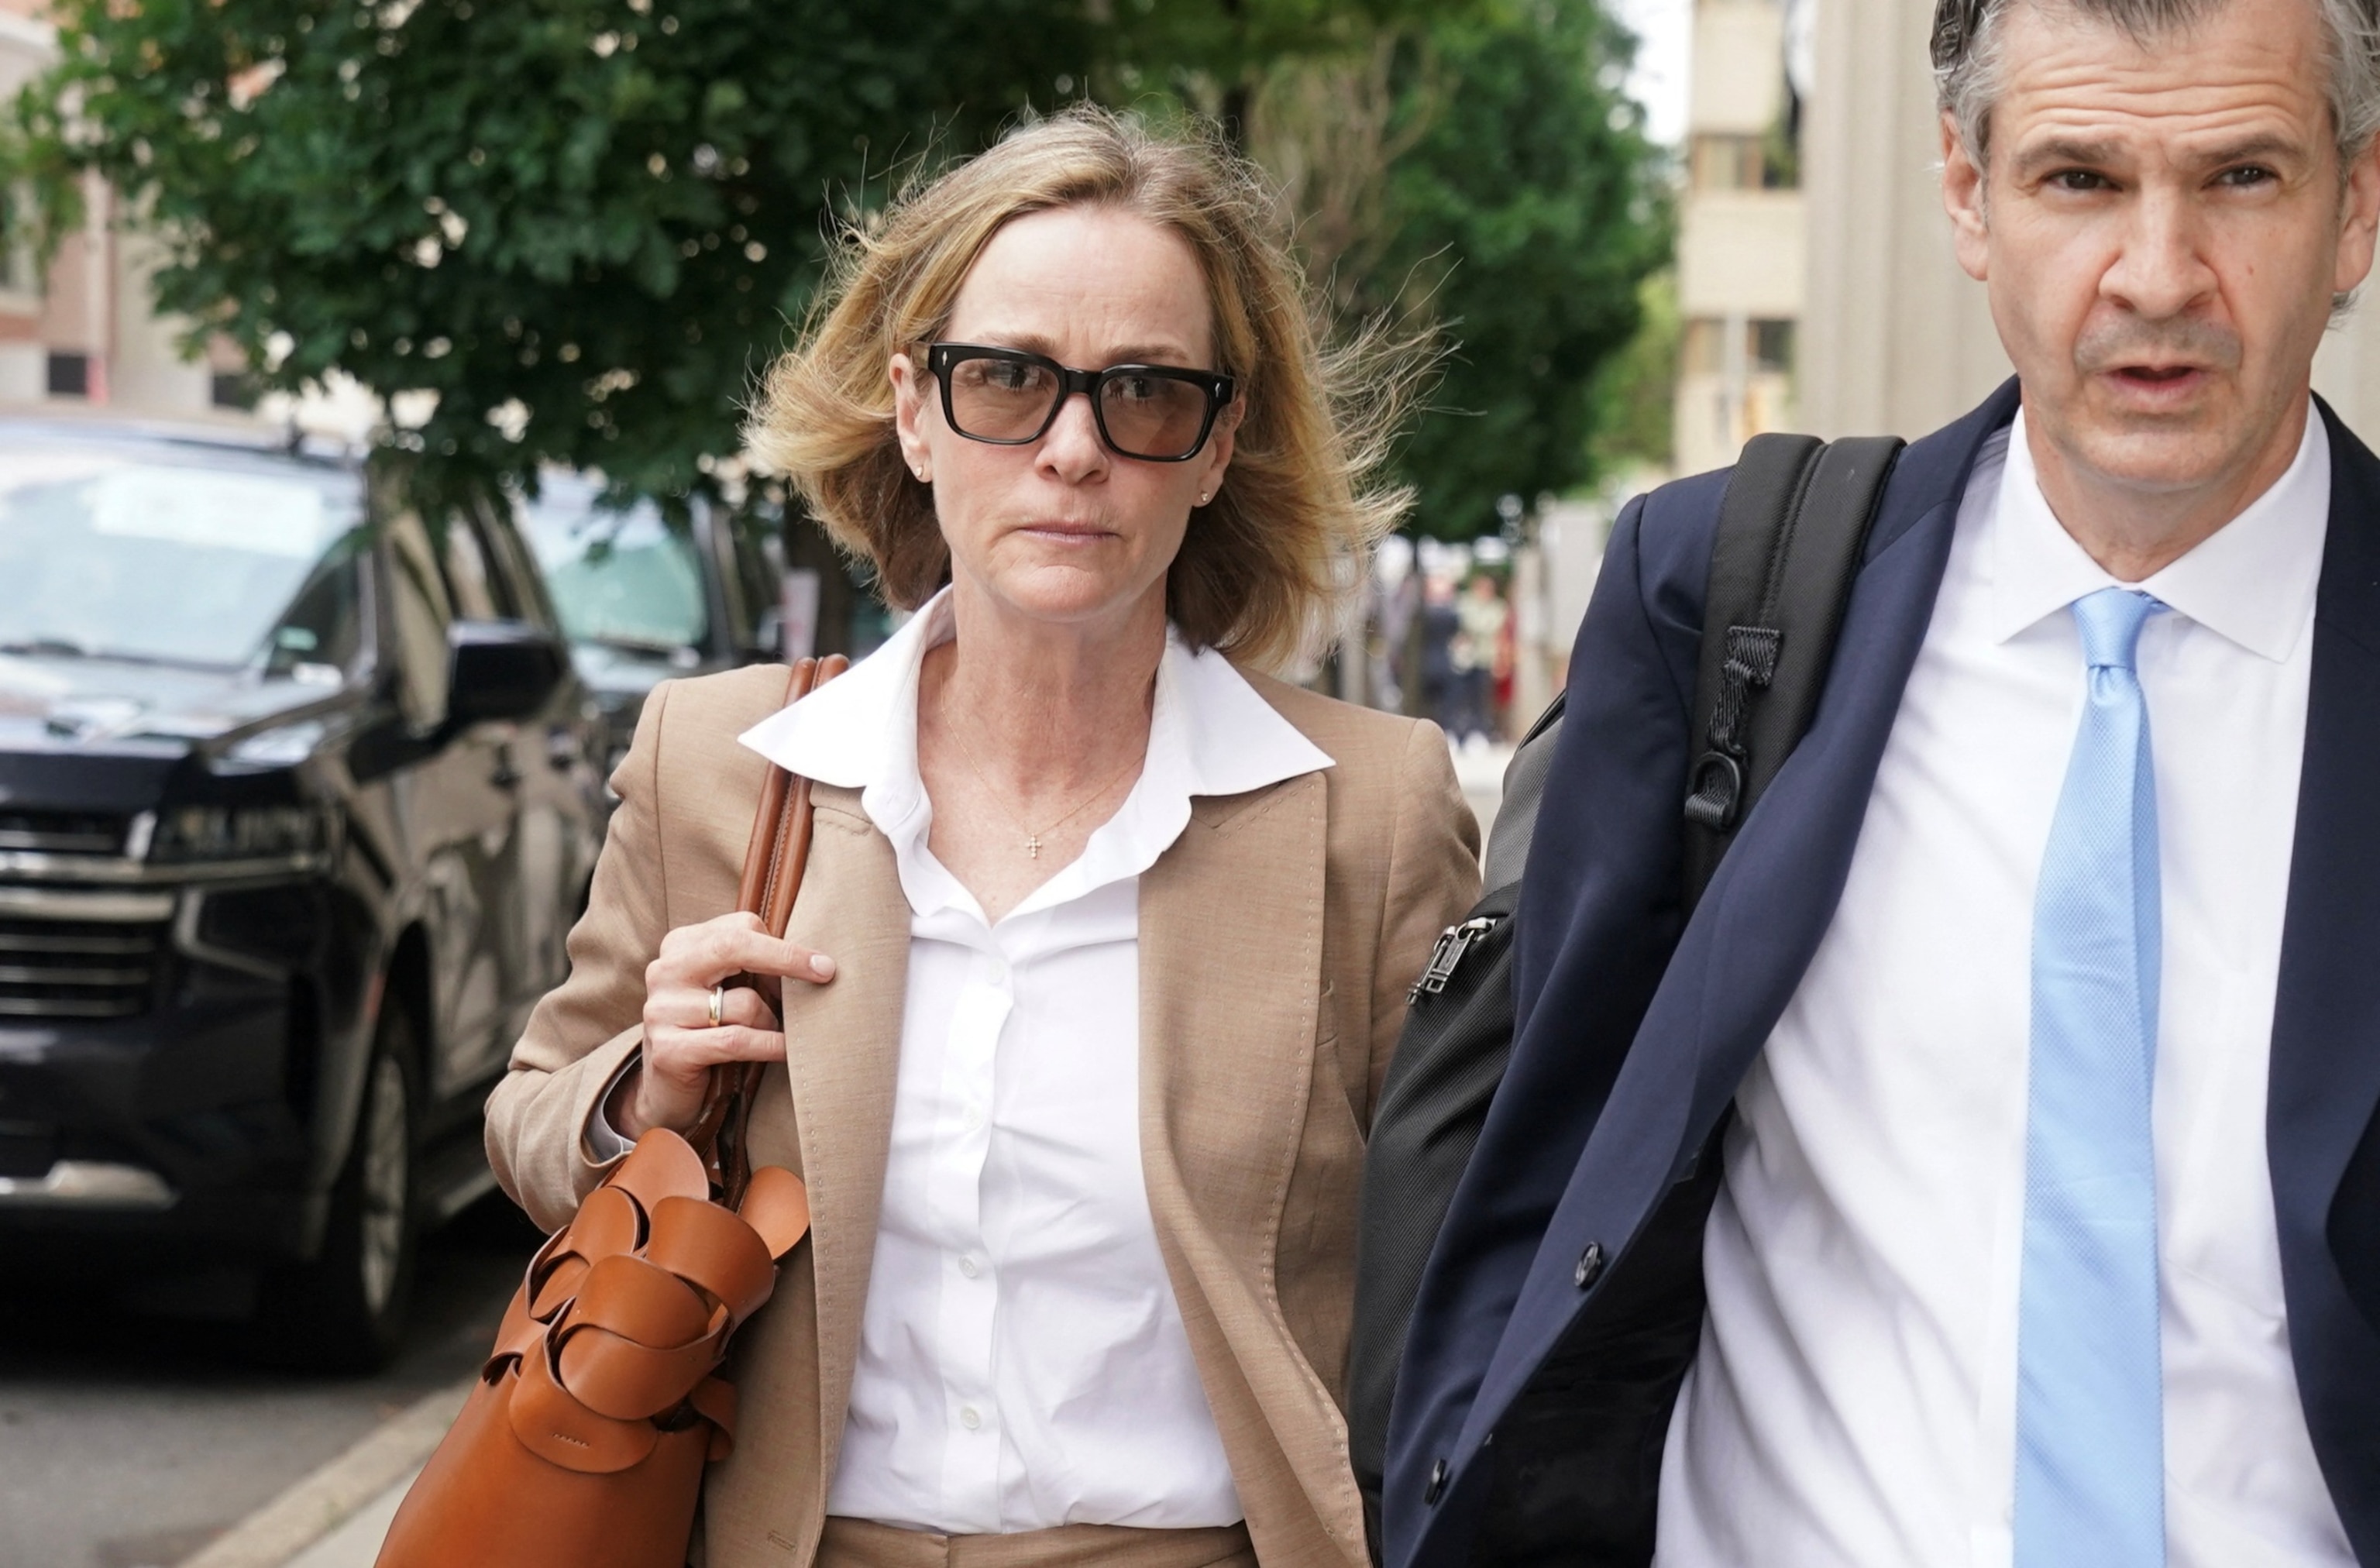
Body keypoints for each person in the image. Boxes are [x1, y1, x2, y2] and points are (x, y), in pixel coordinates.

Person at [1385, 0, 2380, 1561]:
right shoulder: (1720, 603)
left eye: (2243, 177)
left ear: (2358, 205)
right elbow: (1537, 1179)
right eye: (2079, 179)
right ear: (1967, 194)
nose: (2161, 275)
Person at [485, 106, 1480, 1568]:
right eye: (1008, 380)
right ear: (913, 408)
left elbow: (1465, 1258)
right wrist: (647, 1090)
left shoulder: (1371, 810)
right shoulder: (720, 765)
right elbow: (525, 1119)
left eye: (1144, 394)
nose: (1074, 450)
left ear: (1215, 446)